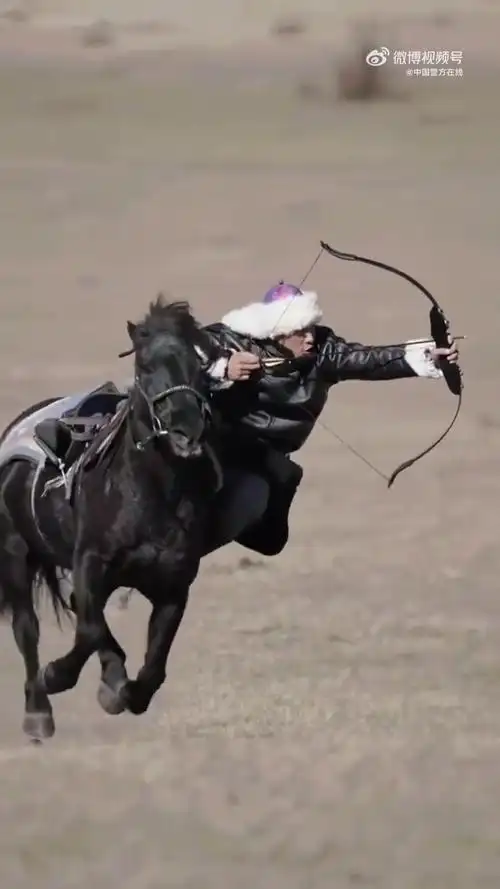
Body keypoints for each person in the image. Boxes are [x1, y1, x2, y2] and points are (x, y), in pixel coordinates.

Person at [200, 281, 459, 556]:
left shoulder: (323, 353)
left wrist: (429, 355)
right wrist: (221, 368)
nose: (310, 336)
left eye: (311, 327)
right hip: (215, 445)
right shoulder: (227, 341)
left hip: (267, 460)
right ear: (277, 332)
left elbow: (369, 360)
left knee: (270, 538)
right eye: (300, 330)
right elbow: (170, 357)